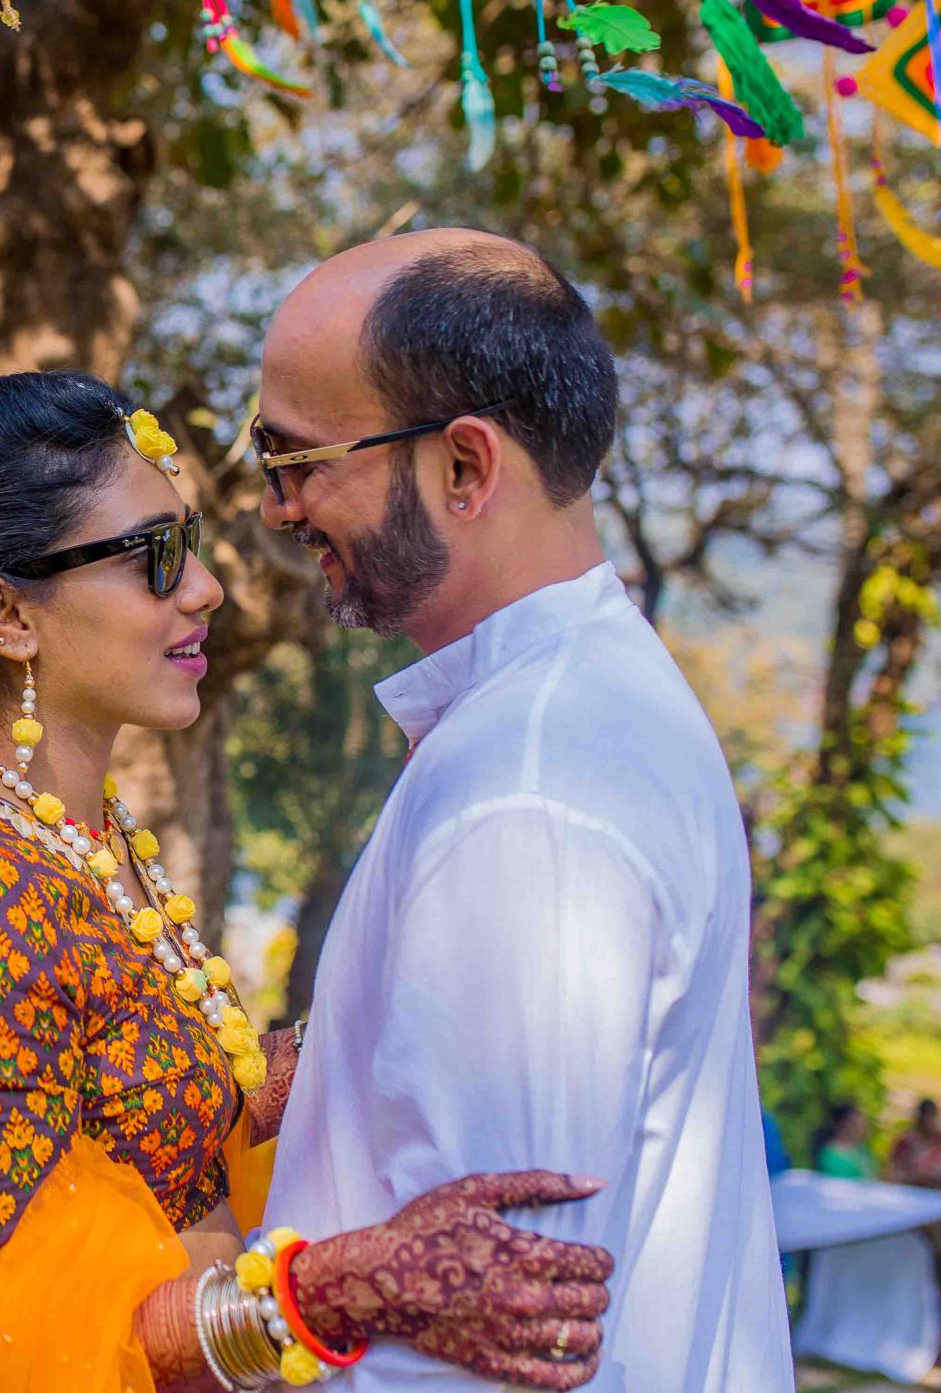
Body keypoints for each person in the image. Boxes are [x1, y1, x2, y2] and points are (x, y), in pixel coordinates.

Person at [0, 371, 616, 1393]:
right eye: (154, 556)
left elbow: (170, 1115)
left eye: (188, 544)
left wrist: (422, 982)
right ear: (6, 615)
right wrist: (341, 1292)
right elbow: (33, 1329)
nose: (204, 589)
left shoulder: (71, 833)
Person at [249, 232, 793, 1390]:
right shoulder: (575, 712)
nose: (274, 509)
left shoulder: (528, 790)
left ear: (463, 468)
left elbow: (487, 1344)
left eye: (296, 462)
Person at [888, 1098, 941, 1189]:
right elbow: (894, 1173)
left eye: (931, 1116)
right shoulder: (906, 1143)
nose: (928, 1121)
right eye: (925, 1117)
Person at [813, 1105, 879, 1181]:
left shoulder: (863, 1151)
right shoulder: (830, 1155)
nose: (862, 1128)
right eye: (857, 1124)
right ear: (844, 1124)